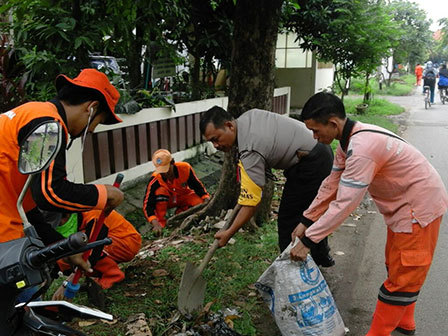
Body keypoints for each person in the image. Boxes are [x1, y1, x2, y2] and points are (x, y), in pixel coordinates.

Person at [290, 92, 448, 336]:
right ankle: (404, 325)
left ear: (333, 123)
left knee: (404, 274)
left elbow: (345, 204)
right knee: (397, 268)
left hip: (419, 208)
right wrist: (306, 220)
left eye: (315, 130)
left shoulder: (362, 148)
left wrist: (310, 240)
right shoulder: (349, 140)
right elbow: (332, 184)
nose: (314, 137)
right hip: (403, 208)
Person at [0, 68, 124, 275]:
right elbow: (50, 193)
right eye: (97, 122)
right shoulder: (48, 125)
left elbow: (30, 206)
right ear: (91, 108)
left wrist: (61, 247)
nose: (92, 130)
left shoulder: (30, 113)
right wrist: (104, 194)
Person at [199, 106, 335, 267]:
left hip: (312, 161)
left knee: (288, 221)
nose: (215, 145)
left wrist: (229, 232)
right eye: (211, 142)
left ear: (229, 126)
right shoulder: (247, 118)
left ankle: (292, 272)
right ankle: (321, 257)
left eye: (216, 138)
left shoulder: (250, 148)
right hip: (317, 151)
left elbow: (251, 203)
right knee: (312, 212)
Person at [51, 210, 142, 300]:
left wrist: (67, 283)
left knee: (83, 250)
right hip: (108, 242)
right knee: (64, 261)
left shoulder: (91, 214)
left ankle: (113, 276)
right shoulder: (61, 224)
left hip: (126, 241)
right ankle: (99, 276)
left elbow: (93, 248)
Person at [143, 149, 210, 234]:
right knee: (161, 191)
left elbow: (197, 186)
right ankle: (162, 224)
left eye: (166, 169)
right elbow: (147, 204)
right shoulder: (155, 180)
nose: (164, 174)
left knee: (200, 203)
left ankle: (181, 214)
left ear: (172, 162)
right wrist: (155, 222)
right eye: (161, 171)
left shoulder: (185, 168)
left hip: (184, 196)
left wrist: (206, 197)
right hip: (168, 201)